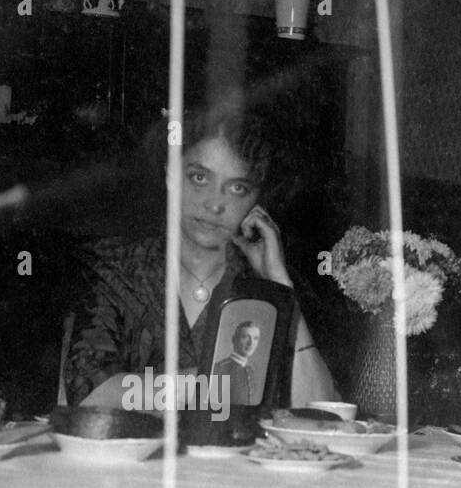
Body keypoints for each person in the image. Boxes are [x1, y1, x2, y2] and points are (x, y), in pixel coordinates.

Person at [63, 108, 338, 409]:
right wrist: (215, 387)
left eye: (237, 187)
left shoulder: (266, 285)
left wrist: (282, 288)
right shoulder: (117, 269)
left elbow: (323, 413)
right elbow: (91, 394)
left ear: (256, 200)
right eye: (199, 177)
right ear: (171, 174)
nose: (214, 204)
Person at [213, 321, 261, 405]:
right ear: (234, 340)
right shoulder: (219, 369)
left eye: (255, 338)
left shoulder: (250, 370)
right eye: (245, 337)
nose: (251, 343)